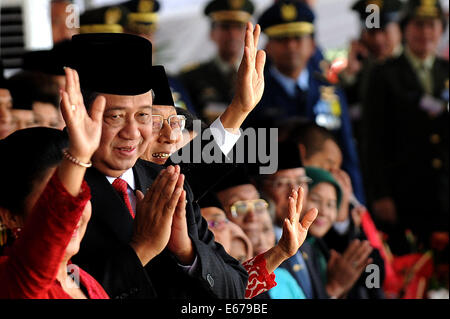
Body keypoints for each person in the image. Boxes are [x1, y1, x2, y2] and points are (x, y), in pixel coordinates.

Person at [68, 25, 266, 299]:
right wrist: (142, 248)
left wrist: (186, 251)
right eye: (115, 117)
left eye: (144, 116)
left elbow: (236, 289)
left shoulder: (167, 183)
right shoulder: (57, 188)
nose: (132, 132)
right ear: (78, 114)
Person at [0, 69, 109, 298]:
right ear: (10, 217)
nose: (74, 212)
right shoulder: (10, 279)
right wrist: (78, 156)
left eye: (79, 193)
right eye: (56, 197)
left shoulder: (82, 279)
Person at [250, 0, 366, 205]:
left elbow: (347, 151)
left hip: (328, 198)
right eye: (282, 39)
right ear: (268, 46)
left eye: (298, 37)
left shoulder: (330, 90)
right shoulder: (253, 91)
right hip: (280, 200)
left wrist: (356, 203)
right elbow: (250, 156)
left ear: (313, 45)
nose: (291, 45)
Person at [362, 0, 449, 255]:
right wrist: (381, 194)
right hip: (404, 192)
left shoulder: (446, 71)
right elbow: (373, 140)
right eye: (418, 25)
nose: (425, 33)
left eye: (431, 25)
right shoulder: (384, 74)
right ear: (404, 29)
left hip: (445, 190)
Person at [303, 166, 374, 299]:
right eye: (316, 200)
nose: (323, 211)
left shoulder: (320, 249)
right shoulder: (291, 250)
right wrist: (334, 287)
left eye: (331, 204)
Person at [179, 0, 255, 123]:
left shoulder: (257, 76)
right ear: (212, 33)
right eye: (225, 27)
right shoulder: (191, 78)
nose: (233, 34)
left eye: (239, 27)